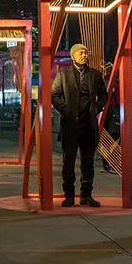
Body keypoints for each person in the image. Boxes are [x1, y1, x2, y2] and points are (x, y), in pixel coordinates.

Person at [52, 43, 108, 207]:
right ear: (73, 56)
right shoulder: (63, 75)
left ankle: (86, 194)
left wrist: (97, 108)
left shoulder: (95, 75)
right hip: (70, 124)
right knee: (68, 161)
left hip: (88, 124)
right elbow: (54, 95)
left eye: (85, 52)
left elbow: (103, 95)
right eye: (80, 53)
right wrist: (65, 110)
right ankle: (69, 194)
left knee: (88, 161)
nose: (84, 55)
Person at [101, 62, 121, 173]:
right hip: (112, 111)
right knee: (114, 136)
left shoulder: (106, 82)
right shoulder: (113, 83)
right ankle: (110, 162)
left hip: (107, 111)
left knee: (107, 138)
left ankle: (107, 163)